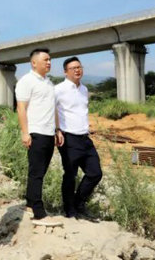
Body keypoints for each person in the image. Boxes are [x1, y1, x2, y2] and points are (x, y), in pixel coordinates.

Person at [15, 48, 64, 225]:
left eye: (50, 59)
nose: (49, 62)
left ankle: (30, 203)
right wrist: (25, 132)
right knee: (36, 172)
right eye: (45, 60)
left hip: (49, 133)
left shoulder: (49, 83)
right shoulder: (26, 81)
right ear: (34, 63)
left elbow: (54, 108)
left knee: (40, 172)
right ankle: (39, 213)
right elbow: (21, 108)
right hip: (36, 132)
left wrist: (57, 130)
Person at [55, 57, 102, 220]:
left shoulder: (84, 89)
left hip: (85, 137)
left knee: (95, 173)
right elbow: (50, 110)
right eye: (73, 68)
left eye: (79, 67)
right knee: (70, 175)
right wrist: (57, 130)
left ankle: (78, 202)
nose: (77, 70)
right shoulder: (58, 90)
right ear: (65, 72)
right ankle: (70, 210)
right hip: (68, 138)